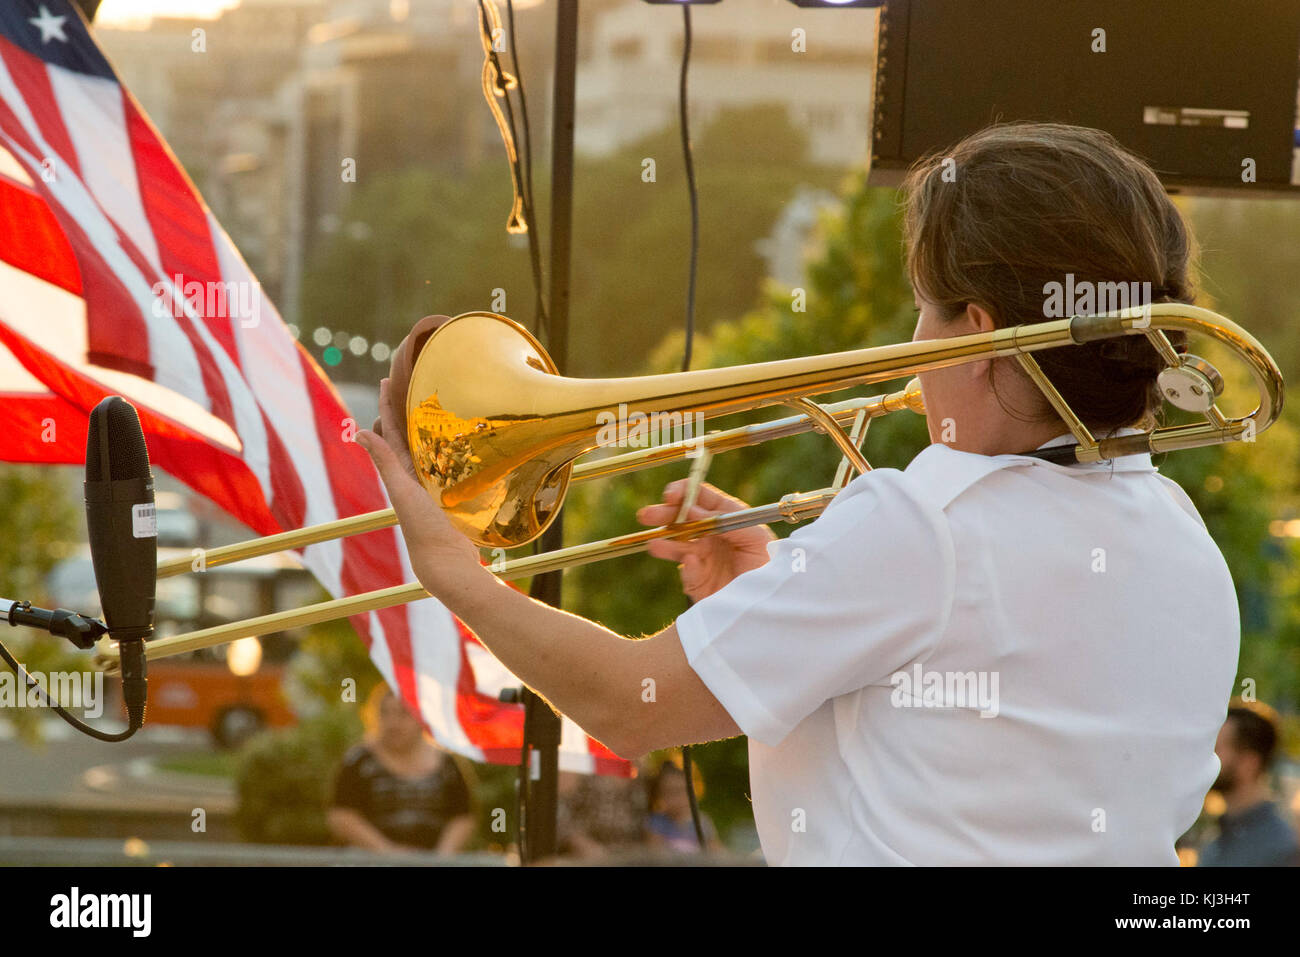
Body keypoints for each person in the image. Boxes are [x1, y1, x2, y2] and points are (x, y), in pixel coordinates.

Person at [357, 122, 1242, 865]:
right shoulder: (1182, 535)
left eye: (925, 308)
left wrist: (454, 571)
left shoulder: (923, 522)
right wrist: (765, 593)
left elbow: (629, 706)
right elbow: (957, 740)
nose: (912, 341)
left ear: (975, 335)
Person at [328, 684, 476, 855]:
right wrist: (389, 853)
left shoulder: (447, 764)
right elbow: (341, 815)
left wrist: (441, 858)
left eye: (403, 713)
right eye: (385, 713)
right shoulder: (358, 762)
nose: (393, 723)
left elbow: (462, 815)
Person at [1198, 700, 1300, 866]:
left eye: (1217, 749)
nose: (1208, 759)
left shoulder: (1282, 847)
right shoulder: (1216, 837)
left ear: (1249, 763)